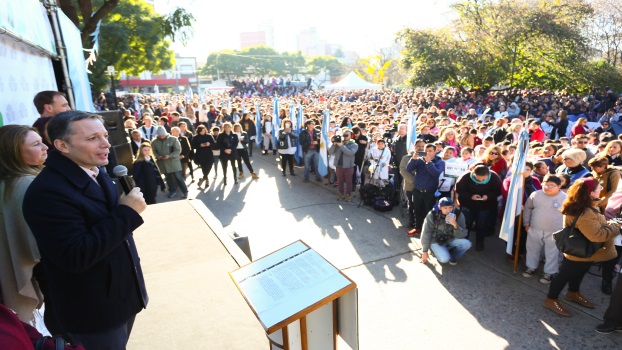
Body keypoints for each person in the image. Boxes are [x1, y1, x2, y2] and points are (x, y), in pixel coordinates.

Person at [23, 111, 148, 349]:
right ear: (62, 145)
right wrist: (127, 213)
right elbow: (75, 255)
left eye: (104, 135)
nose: (105, 144)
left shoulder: (96, 170)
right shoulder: (48, 192)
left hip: (122, 299)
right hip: (93, 312)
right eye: (92, 138)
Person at [544, 178, 620, 317]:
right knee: (563, 276)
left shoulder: (584, 205)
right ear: (590, 193)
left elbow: (593, 226)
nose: (601, 188)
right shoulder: (586, 211)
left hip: (585, 250)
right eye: (599, 187)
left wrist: (606, 223)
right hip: (580, 251)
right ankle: (551, 299)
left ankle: (573, 293)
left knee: (579, 272)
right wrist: (616, 227)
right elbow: (597, 236)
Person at [0, 125, 48, 324]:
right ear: (13, 152)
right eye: (36, 144)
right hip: (43, 274)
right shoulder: (29, 185)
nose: (45, 147)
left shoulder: (9, 183)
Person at [522, 175, 567, 284]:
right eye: (546, 184)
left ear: (559, 186)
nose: (548, 187)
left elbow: (569, 215)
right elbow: (528, 209)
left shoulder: (565, 197)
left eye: (552, 185)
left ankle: (549, 272)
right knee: (532, 249)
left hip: (555, 230)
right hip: (535, 228)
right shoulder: (536, 194)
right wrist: (526, 223)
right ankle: (531, 267)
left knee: (552, 252)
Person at [455, 164, 502, 251]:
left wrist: (488, 196)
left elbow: (498, 191)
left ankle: (479, 242)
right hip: (468, 205)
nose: (480, 180)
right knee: (466, 224)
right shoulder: (466, 176)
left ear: (488, 174)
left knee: (481, 225)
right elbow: (459, 190)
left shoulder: (495, 177)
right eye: (477, 178)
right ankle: (464, 242)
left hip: (485, 206)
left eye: (483, 179)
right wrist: (470, 196)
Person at [405, 143, 445, 236]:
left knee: (430, 212)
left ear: (436, 151)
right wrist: (413, 159)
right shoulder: (419, 160)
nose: (427, 153)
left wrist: (429, 162)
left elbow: (436, 173)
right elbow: (408, 169)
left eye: (430, 151)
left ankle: (429, 231)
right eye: (426, 151)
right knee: (417, 210)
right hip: (417, 190)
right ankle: (418, 228)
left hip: (430, 191)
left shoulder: (440, 162)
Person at [420, 197, 471, 265]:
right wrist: (425, 251)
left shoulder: (458, 214)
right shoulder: (432, 214)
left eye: (450, 207)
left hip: (450, 238)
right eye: (445, 208)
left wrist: (455, 225)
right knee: (444, 259)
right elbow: (426, 233)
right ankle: (435, 251)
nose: (448, 210)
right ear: (440, 207)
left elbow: (463, 234)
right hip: (436, 240)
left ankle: (453, 256)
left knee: (467, 244)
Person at [152, 126, 188, 199]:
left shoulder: (173, 139)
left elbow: (178, 150)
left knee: (179, 177)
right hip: (163, 163)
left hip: (174, 162)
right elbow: (153, 151)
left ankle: (185, 191)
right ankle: (172, 190)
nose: (162, 137)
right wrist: (158, 156)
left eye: (163, 135)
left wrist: (170, 156)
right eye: (160, 136)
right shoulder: (154, 142)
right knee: (168, 178)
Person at [328, 130, 358, 201]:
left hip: (348, 166)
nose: (345, 136)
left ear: (351, 136)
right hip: (339, 165)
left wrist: (341, 145)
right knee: (340, 181)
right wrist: (334, 144)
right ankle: (340, 193)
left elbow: (350, 153)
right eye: (344, 134)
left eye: (347, 135)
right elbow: (330, 152)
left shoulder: (354, 144)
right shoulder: (339, 142)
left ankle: (348, 194)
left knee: (348, 181)